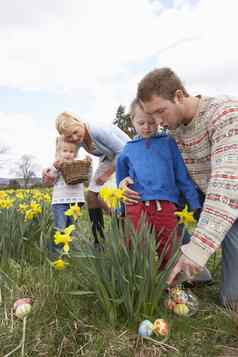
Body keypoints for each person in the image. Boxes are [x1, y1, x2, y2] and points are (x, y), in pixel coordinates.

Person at [121, 67, 238, 306]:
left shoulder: (225, 114)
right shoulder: (171, 132)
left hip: (230, 201)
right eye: (151, 116)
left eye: (160, 112)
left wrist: (197, 249)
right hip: (203, 201)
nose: (157, 122)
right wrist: (126, 185)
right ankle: (188, 268)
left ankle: (194, 259)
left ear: (178, 96)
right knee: (161, 211)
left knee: (231, 300)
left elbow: (226, 189)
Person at [116, 100, 201, 270]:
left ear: (158, 119)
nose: (147, 127)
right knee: (134, 245)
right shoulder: (128, 149)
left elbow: (181, 174)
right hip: (136, 203)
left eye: (152, 122)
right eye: (141, 123)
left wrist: (194, 202)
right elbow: (121, 179)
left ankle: (170, 286)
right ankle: (138, 284)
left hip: (164, 204)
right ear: (132, 121)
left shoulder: (168, 143)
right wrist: (121, 207)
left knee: (168, 246)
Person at [43, 112, 130, 246]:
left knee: (121, 196)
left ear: (79, 121)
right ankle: (99, 242)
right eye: (70, 136)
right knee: (91, 196)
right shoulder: (77, 139)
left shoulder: (98, 130)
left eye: (75, 132)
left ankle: (124, 233)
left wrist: (107, 174)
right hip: (109, 159)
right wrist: (48, 170)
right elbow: (64, 153)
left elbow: (123, 151)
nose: (74, 137)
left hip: (128, 156)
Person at [49, 137, 86, 231]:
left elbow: (86, 176)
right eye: (65, 151)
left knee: (73, 228)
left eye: (71, 151)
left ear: (75, 153)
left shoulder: (78, 165)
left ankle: (73, 245)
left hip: (76, 201)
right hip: (60, 201)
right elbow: (52, 177)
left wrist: (88, 164)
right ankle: (59, 245)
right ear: (58, 153)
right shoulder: (57, 164)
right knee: (61, 227)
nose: (68, 154)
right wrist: (56, 167)